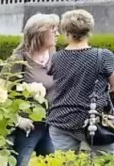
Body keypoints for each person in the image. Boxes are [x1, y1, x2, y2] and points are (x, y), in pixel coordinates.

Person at [0, 13, 59, 166]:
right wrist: (17, 119)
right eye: (52, 30)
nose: (57, 34)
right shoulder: (19, 59)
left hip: (49, 123)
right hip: (28, 126)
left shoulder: (53, 56)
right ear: (39, 33)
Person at [47, 9, 114, 154]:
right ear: (89, 30)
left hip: (61, 119)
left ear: (65, 31)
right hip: (93, 120)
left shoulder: (57, 58)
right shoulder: (104, 56)